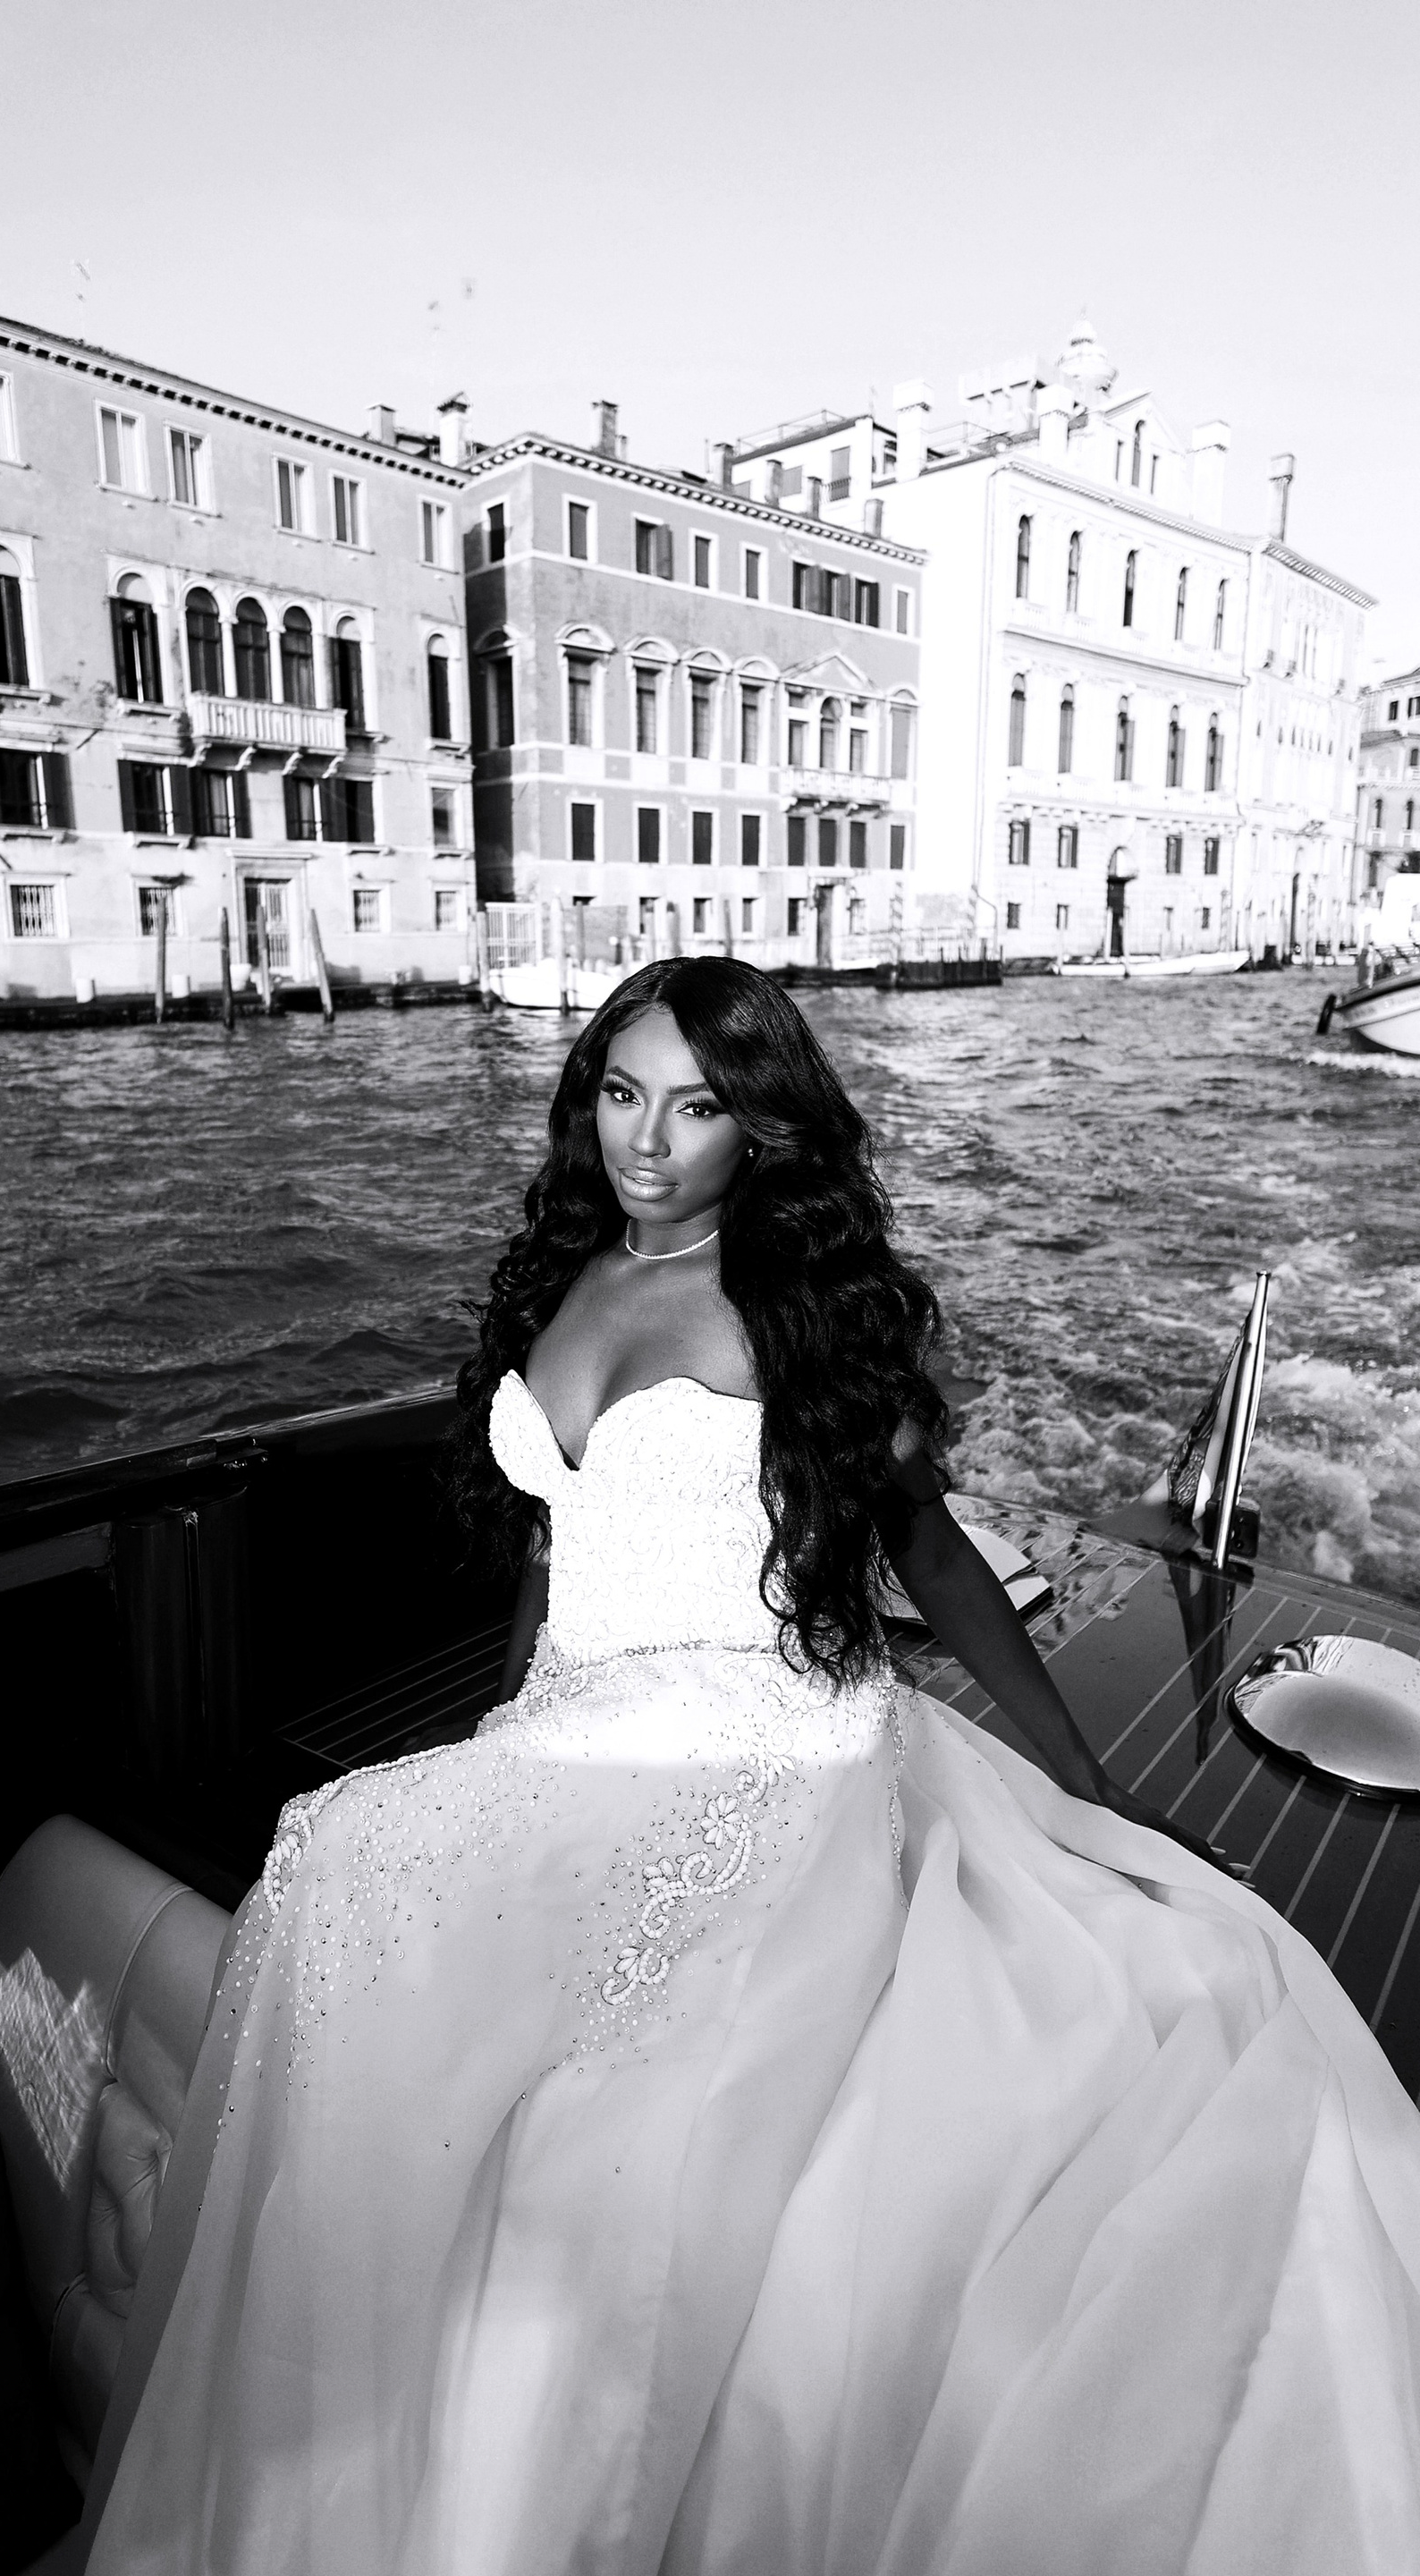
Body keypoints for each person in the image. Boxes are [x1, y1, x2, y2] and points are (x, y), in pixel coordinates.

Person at [85, 959, 1420, 2575]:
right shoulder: (567, 1274)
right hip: (586, 1721)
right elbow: (558, 1550)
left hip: (761, 1738)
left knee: (601, 2109)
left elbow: (928, 1548)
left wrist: (1084, 1786)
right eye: (620, 1093)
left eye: (698, 1105)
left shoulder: (792, 1308)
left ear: (762, 1128)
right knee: (338, 1862)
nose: (646, 1142)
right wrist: (506, 1736)